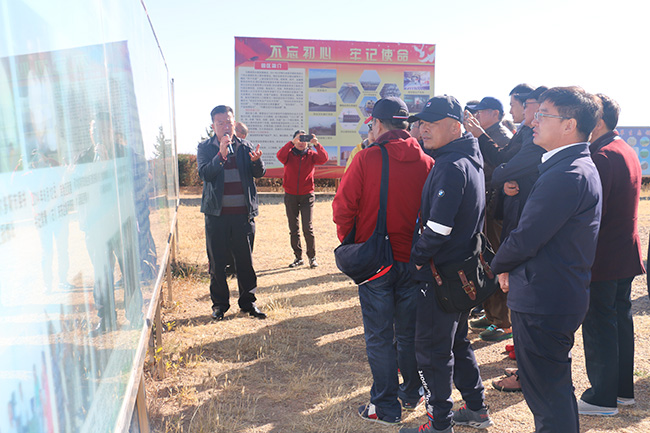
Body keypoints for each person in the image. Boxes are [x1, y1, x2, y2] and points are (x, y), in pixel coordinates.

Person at [490, 86, 602, 433]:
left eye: (543, 115)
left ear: (569, 125)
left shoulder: (568, 173)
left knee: (548, 396)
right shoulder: (568, 165)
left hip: (545, 299)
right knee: (551, 390)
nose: (533, 120)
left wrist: (499, 265)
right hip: (550, 293)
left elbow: (527, 236)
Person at [333, 97, 433, 426]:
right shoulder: (427, 162)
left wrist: (353, 241)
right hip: (414, 261)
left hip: (377, 262)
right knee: (407, 335)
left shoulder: (367, 158)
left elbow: (343, 208)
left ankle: (385, 406)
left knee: (379, 337)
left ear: (377, 124)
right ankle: (412, 390)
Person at [402, 95, 493, 433]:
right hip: (460, 273)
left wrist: (416, 259)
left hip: (441, 276)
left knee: (431, 351)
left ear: (455, 126)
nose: (422, 129)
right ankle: (476, 408)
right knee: (456, 342)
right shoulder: (467, 157)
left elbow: (439, 229)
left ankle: (439, 422)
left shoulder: (452, 166)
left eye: (431, 123)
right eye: (421, 122)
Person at [577, 94, 645, 416]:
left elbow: (591, 214)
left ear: (599, 121)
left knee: (600, 323)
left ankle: (602, 397)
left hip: (603, 256)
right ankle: (621, 391)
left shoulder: (601, 155)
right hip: (623, 253)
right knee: (619, 320)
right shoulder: (624, 148)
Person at [464, 86, 547, 344]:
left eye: (518, 104)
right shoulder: (519, 132)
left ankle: (502, 320)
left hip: (508, 208)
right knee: (492, 260)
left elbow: (503, 163)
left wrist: (505, 177)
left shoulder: (502, 134)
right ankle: (494, 316)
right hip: (501, 204)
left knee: (500, 262)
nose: (515, 109)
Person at [197, 105, 266, 321]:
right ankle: (219, 305)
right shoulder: (205, 148)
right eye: (221, 123)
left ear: (234, 122)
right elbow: (205, 174)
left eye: (229, 122)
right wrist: (221, 155)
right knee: (217, 263)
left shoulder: (245, 147)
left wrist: (257, 162)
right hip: (216, 216)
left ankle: (248, 303)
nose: (226, 126)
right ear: (213, 126)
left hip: (243, 216)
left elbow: (258, 173)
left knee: (245, 262)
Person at [276, 131, 328, 268]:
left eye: (304, 139)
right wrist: (291, 143)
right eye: (299, 139)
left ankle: (312, 257)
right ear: (294, 140)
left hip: (307, 195)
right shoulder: (288, 154)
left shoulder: (311, 155)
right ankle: (298, 257)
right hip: (290, 195)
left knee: (307, 227)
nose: (301, 142)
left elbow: (323, 159)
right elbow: (279, 156)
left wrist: (317, 144)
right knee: (293, 228)